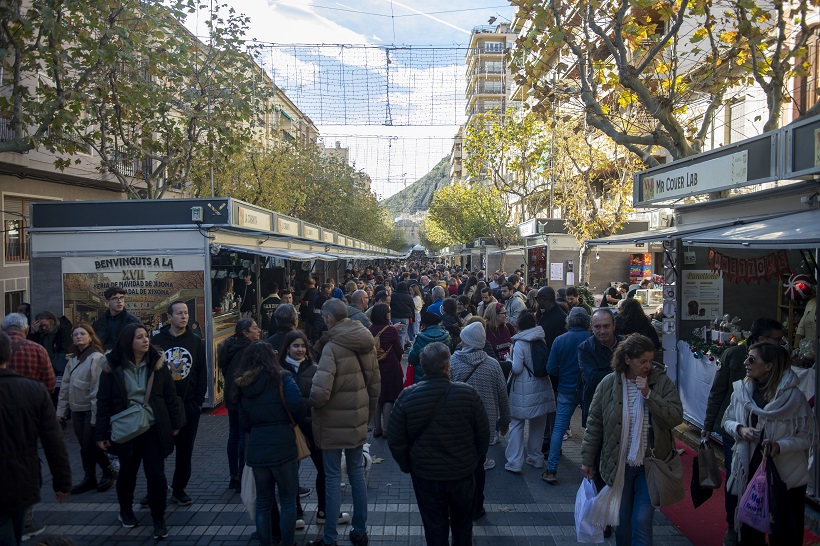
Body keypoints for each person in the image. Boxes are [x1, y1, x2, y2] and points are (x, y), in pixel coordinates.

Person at [581, 333, 683, 546]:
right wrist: (587, 460)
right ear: (627, 359)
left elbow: (674, 416)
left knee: (642, 520)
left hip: (650, 464)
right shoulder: (609, 384)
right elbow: (595, 424)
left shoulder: (660, 382)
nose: (647, 366)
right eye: (642, 361)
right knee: (622, 520)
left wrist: (648, 394)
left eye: (650, 361)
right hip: (619, 465)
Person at [387, 342, 489, 546]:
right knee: (463, 527)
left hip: (426, 476)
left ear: (423, 366)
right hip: (461, 474)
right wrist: (473, 461)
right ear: (447, 366)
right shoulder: (468, 394)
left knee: (435, 527)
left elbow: (395, 438)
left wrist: (409, 465)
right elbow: (483, 435)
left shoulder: (407, 396)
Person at [701, 318, 785, 546]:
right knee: (737, 479)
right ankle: (733, 525)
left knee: (765, 484)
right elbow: (718, 391)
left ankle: (758, 527)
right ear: (761, 340)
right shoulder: (734, 356)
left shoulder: (782, 365)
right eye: (776, 339)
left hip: (768, 439)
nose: (781, 343)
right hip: (734, 432)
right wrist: (708, 426)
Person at [96, 323, 183, 540]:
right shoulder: (112, 366)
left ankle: (158, 517)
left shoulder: (157, 363)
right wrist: (101, 433)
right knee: (127, 474)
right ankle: (125, 511)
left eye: (146, 336)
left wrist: (176, 423)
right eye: (140, 337)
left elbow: (170, 396)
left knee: (156, 475)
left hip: (153, 427)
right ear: (128, 342)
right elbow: (103, 401)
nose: (145, 340)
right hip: (126, 428)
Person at [722, 342, 814, 546]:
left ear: (769, 366)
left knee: (784, 534)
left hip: (785, 477)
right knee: (749, 534)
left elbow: (808, 437)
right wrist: (740, 429)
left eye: (752, 359)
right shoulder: (742, 392)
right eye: (747, 357)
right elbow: (726, 420)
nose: (746, 362)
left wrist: (781, 446)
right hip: (750, 471)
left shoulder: (794, 399)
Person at [307, 298, 380, 546]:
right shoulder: (366, 340)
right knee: (357, 474)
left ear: (328, 319)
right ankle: (360, 531)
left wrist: (311, 404)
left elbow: (320, 393)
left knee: (332, 478)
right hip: (357, 417)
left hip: (332, 422)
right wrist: (368, 414)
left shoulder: (331, 347)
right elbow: (374, 383)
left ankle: (330, 537)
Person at [0, 330, 71, 546]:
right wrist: (62, 482)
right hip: (22, 478)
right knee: (15, 530)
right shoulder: (34, 390)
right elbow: (54, 441)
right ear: (8, 354)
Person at [234, 341, 306, 546]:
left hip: (257, 447)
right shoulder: (282, 378)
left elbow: (243, 421)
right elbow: (298, 405)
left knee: (263, 502)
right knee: (288, 501)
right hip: (283, 444)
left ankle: (265, 541)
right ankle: (287, 542)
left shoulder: (243, 384)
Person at [449, 322, 510, 521]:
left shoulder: (452, 362)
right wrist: (504, 421)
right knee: (478, 465)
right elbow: (503, 395)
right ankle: (477, 506)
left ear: (465, 341)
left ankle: (460, 504)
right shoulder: (493, 365)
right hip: (485, 424)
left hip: (457, 423)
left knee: (459, 465)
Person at [149, 301, 207, 506]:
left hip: (188, 404)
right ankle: (155, 488)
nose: (184, 317)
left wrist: (198, 401)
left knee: (185, 450)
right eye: (179, 313)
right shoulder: (157, 341)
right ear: (169, 316)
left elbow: (201, 371)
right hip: (162, 405)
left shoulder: (195, 341)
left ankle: (179, 488)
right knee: (156, 450)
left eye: (186, 313)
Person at [56, 323, 114, 494]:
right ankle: (89, 478)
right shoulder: (73, 359)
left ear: (90, 336)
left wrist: (96, 417)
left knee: (91, 445)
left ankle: (108, 470)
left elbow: (97, 390)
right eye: (75, 334)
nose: (78, 337)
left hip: (90, 410)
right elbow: (65, 387)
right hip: (76, 410)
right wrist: (60, 412)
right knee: (84, 446)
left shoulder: (95, 358)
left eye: (82, 333)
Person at [278, 330, 326, 530]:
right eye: (295, 346)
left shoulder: (315, 369)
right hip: (289, 428)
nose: (300, 350)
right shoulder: (279, 370)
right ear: (287, 348)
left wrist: (301, 403)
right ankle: (296, 511)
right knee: (291, 473)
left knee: (323, 468)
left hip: (312, 426)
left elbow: (319, 397)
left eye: (303, 346)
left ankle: (323, 510)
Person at [542, 307, 592, 484]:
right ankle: (592, 468)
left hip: (566, 389)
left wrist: (563, 372)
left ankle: (551, 469)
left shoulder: (560, 340)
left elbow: (550, 368)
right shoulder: (592, 339)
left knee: (558, 429)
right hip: (589, 391)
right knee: (593, 430)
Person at [504, 311, 554, 474]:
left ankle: (514, 462)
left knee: (517, 423)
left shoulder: (520, 343)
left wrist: (508, 361)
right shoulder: (540, 338)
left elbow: (517, 368)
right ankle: (536, 458)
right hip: (542, 385)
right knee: (538, 424)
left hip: (523, 388)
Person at [217, 318, 261, 491]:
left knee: (233, 435)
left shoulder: (230, 347)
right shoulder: (250, 350)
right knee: (243, 437)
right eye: (255, 328)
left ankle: (233, 476)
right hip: (243, 397)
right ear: (245, 333)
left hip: (231, 395)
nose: (258, 330)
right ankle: (242, 477)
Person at [578, 309, 621, 428]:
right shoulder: (585, 348)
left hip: (623, 407)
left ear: (614, 325)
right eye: (597, 327)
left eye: (606, 326)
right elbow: (592, 379)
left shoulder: (626, 345)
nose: (602, 331)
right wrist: (623, 373)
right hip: (598, 407)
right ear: (591, 327)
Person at [368, 304, 404, 438]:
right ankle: (386, 429)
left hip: (374, 366)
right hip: (390, 366)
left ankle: (377, 428)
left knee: (377, 396)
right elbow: (398, 349)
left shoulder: (369, 329)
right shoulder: (391, 330)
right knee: (389, 397)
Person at [27, 311, 73, 406]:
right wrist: (32, 333)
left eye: (45, 325)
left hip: (58, 368)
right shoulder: (40, 332)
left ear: (52, 322)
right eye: (41, 326)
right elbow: (32, 348)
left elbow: (65, 351)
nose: (44, 328)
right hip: (45, 368)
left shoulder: (64, 331)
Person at [92, 286, 141, 351]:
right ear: (107, 302)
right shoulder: (99, 323)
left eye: (121, 297)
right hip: (103, 358)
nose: (119, 301)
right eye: (115, 298)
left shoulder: (133, 322)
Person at [408, 312, 452, 383]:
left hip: (422, 375)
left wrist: (411, 349)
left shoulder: (420, 338)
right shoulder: (447, 337)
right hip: (442, 374)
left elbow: (412, 359)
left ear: (424, 324)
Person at [390, 282, 416, 347]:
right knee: (402, 335)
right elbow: (412, 307)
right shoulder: (408, 297)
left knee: (394, 333)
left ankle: (394, 349)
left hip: (394, 317)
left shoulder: (393, 295)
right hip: (405, 317)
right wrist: (413, 318)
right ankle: (401, 350)